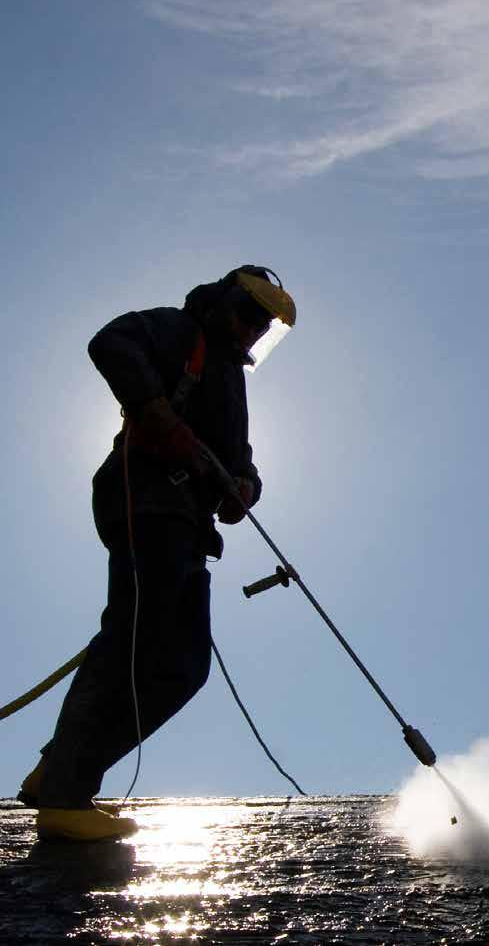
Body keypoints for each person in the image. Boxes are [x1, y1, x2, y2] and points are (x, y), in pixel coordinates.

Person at [18, 266, 296, 842]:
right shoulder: (177, 331)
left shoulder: (231, 380)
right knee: (132, 638)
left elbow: (238, 458)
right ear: (223, 304)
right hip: (145, 503)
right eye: (248, 315)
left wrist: (244, 486)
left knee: (183, 669)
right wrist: (153, 409)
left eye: (264, 325)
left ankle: (62, 768)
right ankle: (66, 796)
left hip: (190, 528)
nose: (253, 330)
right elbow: (111, 342)